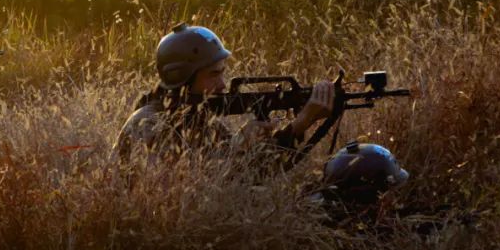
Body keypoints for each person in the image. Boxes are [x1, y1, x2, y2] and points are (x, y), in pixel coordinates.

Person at [115, 23, 335, 166]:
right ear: (182, 77)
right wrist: (239, 144)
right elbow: (191, 193)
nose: (222, 85)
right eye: (213, 75)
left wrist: (300, 124)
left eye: (223, 73)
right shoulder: (148, 123)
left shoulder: (199, 120)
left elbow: (254, 175)